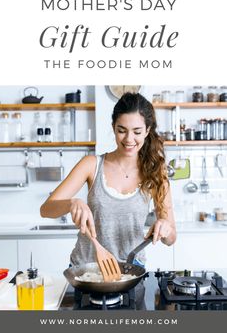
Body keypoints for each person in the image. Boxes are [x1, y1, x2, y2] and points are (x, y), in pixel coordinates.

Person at [40, 92, 176, 268]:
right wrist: (71, 203)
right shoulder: (91, 165)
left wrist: (165, 228)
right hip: (86, 270)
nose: (128, 139)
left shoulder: (156, 173)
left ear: (147, 131)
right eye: (122, 130)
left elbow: (171, 239)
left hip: (131, 271)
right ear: (113, 128)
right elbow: (46, 210)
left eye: (137, 132)